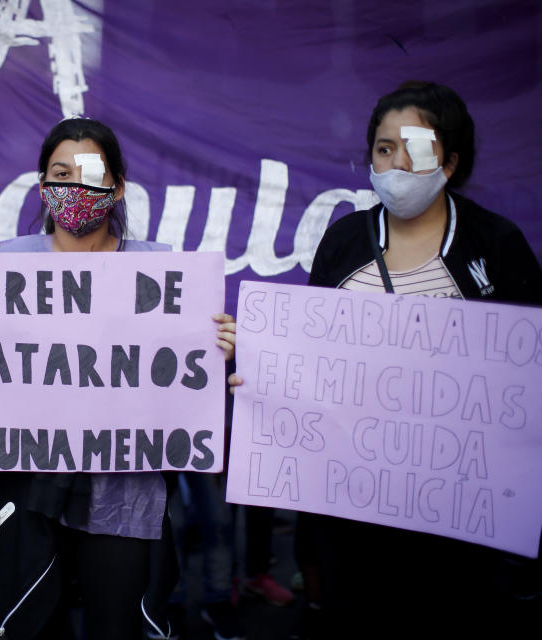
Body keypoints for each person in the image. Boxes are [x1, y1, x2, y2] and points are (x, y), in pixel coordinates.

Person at [0, 117, 237, 640]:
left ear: (117, 184)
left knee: (115, 630)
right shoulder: (8, 266)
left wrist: (220, 351)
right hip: (29, 494)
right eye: (60, 172)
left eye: (91, 172)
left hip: (125, 498)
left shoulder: (163, 273)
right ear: (42, 184)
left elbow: (181, 373)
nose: (75, 185)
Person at [234, 81, 542, 638]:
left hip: (460, 515)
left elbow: (528, 376)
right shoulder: (345, 241)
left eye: (415, 148)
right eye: (383, 148)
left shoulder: (496, 244)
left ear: (449, 161)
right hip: (351, 507)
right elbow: (309, 357)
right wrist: (256, 352)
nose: (396, 162)